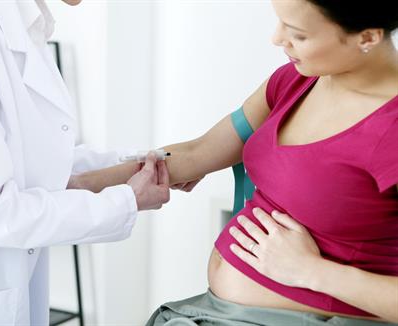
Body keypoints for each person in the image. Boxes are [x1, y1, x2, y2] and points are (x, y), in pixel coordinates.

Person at [70, 0, 398, 324]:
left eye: (298, 34)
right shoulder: (294, 82)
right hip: (219, 311)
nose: (277, 38)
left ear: (367, 37)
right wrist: (73, 187)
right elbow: (198, 152)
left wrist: (312, 272)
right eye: (280, 22)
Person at [0, 0, 172, 324]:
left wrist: (134, 165)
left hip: (6, 292)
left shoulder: (20, 23)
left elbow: (31, 161)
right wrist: (124, 202)